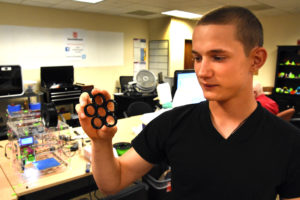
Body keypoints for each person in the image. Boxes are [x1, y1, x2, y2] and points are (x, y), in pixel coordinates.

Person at [76, 6, 300, 200]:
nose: (202, 72)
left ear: (256, 59)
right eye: (198, 57)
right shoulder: (172, 123)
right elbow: (112, 183)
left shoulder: (288, 141)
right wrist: (101, 142)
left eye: (218, 57)